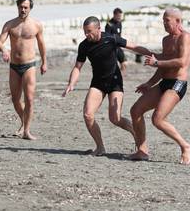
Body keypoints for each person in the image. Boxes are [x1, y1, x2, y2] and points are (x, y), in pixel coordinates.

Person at [62, 16, 152, 156]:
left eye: (89, 31)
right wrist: (71, 83)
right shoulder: (84, 45)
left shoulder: (111, 39)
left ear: (99, 29)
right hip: (98, 83)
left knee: (115, 118)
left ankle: (135, 133)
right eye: (85, 31)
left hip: (114, 82)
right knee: (88, 115)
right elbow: (77, 67)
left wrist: (153, 54)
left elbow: (133, 47)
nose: (87, 34)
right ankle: (100, 147)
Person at [129, 8, 190, 165]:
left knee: (157, 119)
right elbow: (163, 67)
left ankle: (186, 146)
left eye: (167, 21)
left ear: (177, 21)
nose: (164, 24)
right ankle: (142, 150)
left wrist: (156, 62)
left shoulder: (185, 37)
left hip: (178, 84)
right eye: (163, 21)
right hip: (164, 82)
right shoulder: (166, 40)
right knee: (136, 110)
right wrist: (149, 83)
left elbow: (181, 62)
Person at [0, 0, 47, 140]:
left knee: (29, 99)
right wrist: (4, 50)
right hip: (14, 66)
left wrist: (45, 62)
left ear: (30, 8)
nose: (23, 9)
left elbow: (42, 44)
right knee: (15, 99)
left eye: (26, 7)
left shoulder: (36, 25)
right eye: (21, 7)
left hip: (29, 65)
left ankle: (27, 131)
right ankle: (24, 122)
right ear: (17, 7)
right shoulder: (10, 24)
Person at [105, 8, 128, 75]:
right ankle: (115, 76)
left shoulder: (119, 23)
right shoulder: (109, 25)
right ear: (114, 15)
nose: (119, 18)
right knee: (113, 65)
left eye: (120, 16)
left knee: (125, 63)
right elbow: (107, 37)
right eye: (118, 16)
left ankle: (120, 76)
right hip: (112, 47)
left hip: (118, 46)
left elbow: (119, 35)